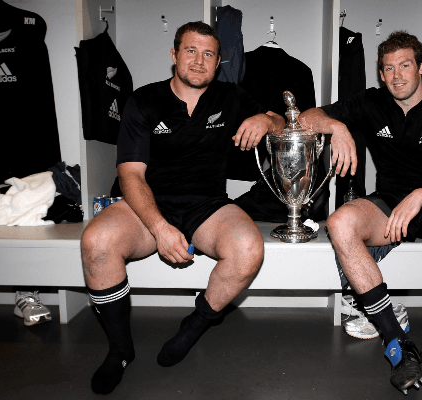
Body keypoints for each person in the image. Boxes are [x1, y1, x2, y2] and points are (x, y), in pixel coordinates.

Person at [80, 21, 288, 395]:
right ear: (174, 55)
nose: (198, 60)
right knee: (96, 242)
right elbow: (130, 175)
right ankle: (120, 349)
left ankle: (196, 323)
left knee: (248, 248)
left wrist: (263, 119)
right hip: (147, 203)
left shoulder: (231, 96)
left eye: (208, 54)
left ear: (219, 62)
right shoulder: (143, 101)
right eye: (190, 51)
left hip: (207, 205)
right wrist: (160, 228)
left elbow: (283, 121)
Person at [299, 30, 422, 395]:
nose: (396, 76)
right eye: (387, 68)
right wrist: (337, 127)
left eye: (405, 65)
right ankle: (396, 344)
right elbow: (307, 117)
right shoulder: (372, 103)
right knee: (340, 222)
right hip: (389, 204)